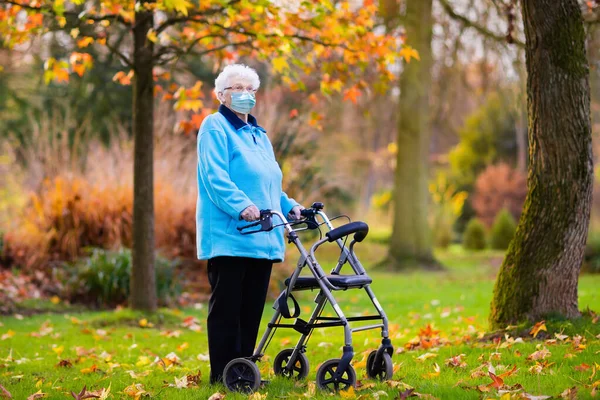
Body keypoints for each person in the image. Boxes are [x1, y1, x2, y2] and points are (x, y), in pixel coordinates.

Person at [195, 63, 304, 385]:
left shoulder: (259, 136)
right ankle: (222, 375)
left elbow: (270, 187)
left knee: (251, 310)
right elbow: (215, 177)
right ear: (221, 95)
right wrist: (243, 206)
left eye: (250, 90)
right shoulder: (215, 127)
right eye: (237, 89)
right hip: (230, 235)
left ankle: (242, 373)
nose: (244, 95)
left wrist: (291, 207)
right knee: (227, 310)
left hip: (263, 236)